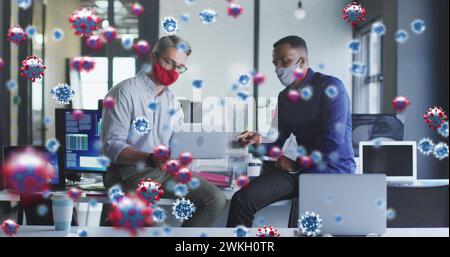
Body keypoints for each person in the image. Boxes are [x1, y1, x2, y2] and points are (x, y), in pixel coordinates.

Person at [227, 35, 355, 227]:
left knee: (300, 225)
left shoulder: (331, 87)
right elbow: (278, 142)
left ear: (301, 61)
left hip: (332, 170)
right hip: (300, 170)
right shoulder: (285, 97)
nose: (278, 68)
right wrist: (258, 141)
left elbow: (333, 141)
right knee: (242, 200)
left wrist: (297, 165)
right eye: (275, 63)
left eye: (284, 61)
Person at [101, 35, 226, 227]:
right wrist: (150, 158)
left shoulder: (172, 101)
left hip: (164, 171)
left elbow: (178, 140)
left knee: (215, 199)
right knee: (157, 227)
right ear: (153, 57)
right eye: (169, 62)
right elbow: (112, 146)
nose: (173, 71)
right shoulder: (124, 92)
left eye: (179, 67)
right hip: (129, 173)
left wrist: (184, 156)